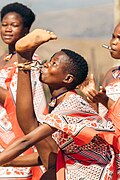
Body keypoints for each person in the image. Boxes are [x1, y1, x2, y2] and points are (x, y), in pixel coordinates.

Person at [0, 29, 119, 180]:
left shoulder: (72, 104)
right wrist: (8, 161)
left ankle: (24, 58)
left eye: (54, 63)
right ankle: (24, 60)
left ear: (68, 79)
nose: (47, 64)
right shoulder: (58, 102)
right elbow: (49, 151)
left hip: (90, 173)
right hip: (72, 164)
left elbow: (27, 140)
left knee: (48, 166)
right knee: (48, 163)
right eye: (50, 60)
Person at [0, 2, 57, 180]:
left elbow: (22, 101)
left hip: (16, 134)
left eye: (14, 25)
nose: (8, 30)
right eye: (4, 25)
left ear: (26, 30)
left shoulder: (30, 62)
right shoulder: (2, 59)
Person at [79, 22, 120, 118]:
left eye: (119, 38)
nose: (113, 42)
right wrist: (92, 97)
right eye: (113, 37)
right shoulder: (111, 74)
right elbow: (99, 117)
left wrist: (105, 101)